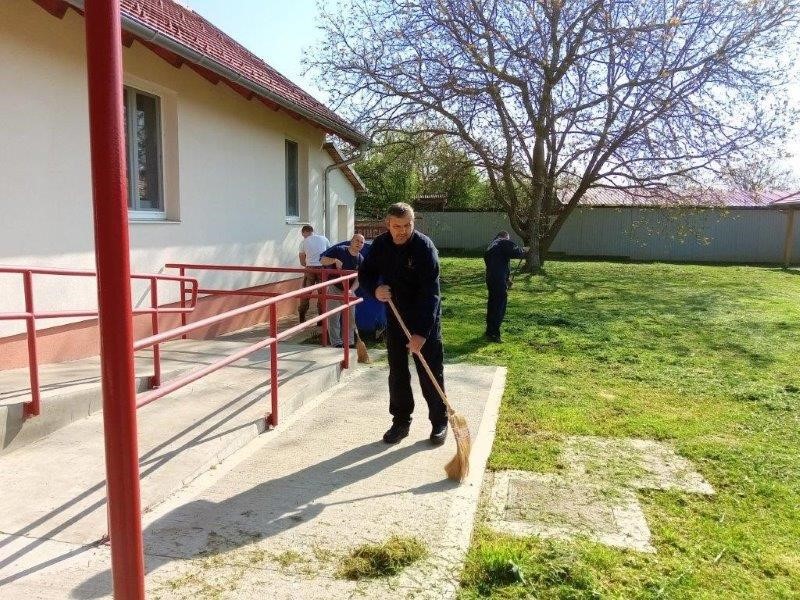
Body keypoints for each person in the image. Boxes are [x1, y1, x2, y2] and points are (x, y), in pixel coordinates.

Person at [358, 202, 448, 446]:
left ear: (413, 223)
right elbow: (365, 273)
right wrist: (375, 290)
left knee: (430, 372)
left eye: (407, 225)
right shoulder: (381, 245)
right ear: (388, 224)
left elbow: (432, 294)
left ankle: (439, 421)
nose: (403, 231)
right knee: (398, 372)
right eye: (397, 226)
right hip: (396, 316)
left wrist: (421, 334)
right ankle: (400, 422)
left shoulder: (424, 248)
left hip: (424, 318)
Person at [320, 234, 366, 348]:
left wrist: (351, 290)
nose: (359, 244)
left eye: (361, 242)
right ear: (351, 241)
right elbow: (322, 260)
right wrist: (334, 260)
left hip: (349, 290)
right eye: (357, 241)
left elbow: (359, 279)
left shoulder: (360, 259)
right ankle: (336, 342)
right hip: (335, 288)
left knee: (350, 318)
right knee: (333, 316)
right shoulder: (339, 250)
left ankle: (349, 342)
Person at [483, 231, 527, 343]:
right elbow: (516, 252)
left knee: (492, 304)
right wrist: (524, 250)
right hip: (498, 279)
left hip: (490, 278)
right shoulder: (503, 242)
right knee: (499, 306)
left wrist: (506, 279)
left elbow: (497, 263)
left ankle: (489, 331)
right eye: (508, 238)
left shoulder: (491, 246)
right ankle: (494, 334)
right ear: (505, 237)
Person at [297, 224, 330, 323]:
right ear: (312, 231)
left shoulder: (303, 242)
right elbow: (329, 252)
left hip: (310, 269)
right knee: (322, 293)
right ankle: (321, 318)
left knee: (306, 292)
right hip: (322, 268)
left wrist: (308, 263)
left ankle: (302, 315)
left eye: (303, 234)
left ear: (304, 232)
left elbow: (302, 261)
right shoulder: (324, 239)